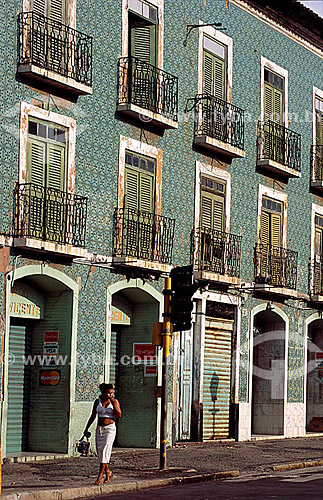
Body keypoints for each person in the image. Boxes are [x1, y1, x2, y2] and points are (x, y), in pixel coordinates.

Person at [84, 383, 122, 484]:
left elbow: (119, 415)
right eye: (108, 393)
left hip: (110, 429)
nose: (110, 395)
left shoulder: (114, 401)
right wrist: (86, 428)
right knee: (100, 451)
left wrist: (114, 404)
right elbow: (93, 415)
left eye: (111, 393)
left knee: (105, 449)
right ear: (103, 393)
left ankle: (100, 475)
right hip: (99, 429)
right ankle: (108, 472)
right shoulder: (97, 402)